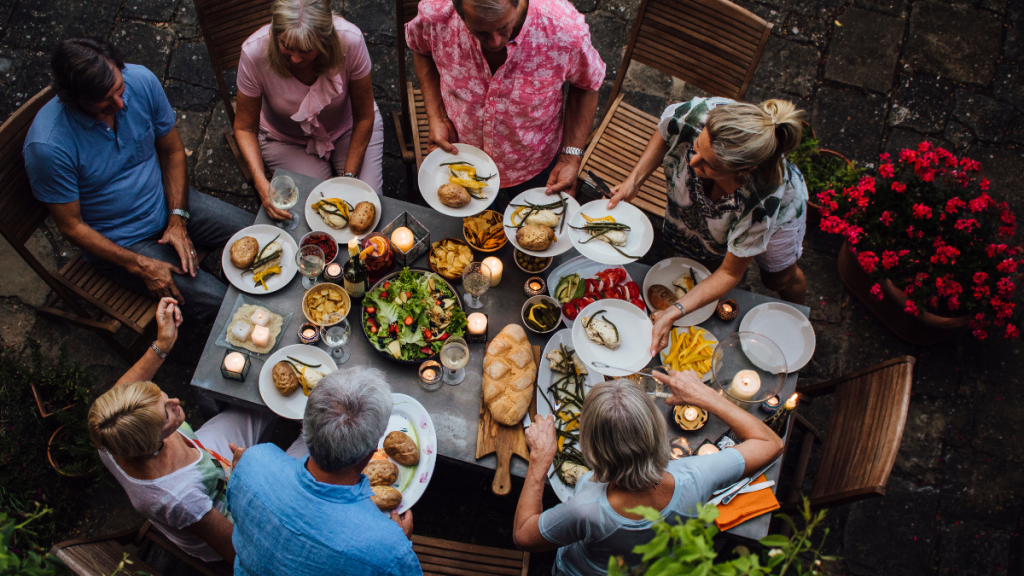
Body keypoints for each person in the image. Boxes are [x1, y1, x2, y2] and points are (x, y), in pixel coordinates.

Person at [24, 38, 254, 326]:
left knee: (263, 234)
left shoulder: (141, 80)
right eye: (105, 101)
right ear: (74, 98)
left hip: (169, 200)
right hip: (125, 242)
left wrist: (177, 219)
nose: (120, 104)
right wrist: (140, 266)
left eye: (119, 89)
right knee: (222, 304)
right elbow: (71, 227)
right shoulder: (48, 147)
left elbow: (172, 152)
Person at [87, 298, 296, 565]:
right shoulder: (181, 498)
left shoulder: (108, 427)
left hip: (208, 455)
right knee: (314, 452)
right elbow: (237, 551)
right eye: (166, 413)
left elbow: (124, 390)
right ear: (149, 441)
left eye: (163, 397)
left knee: (263, 399)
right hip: (230, 508)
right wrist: (247, 478)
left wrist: (164, 343)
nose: (176, 403)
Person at [513, 375, 783, 575]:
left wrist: (540, 460)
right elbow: (771, 443)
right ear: (657, 431)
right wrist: (706, 397)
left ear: (590, 449)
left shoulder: (586, 510)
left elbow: (524, 536)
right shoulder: (697, 474)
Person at [604, 97, 808, 357]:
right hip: (720, 202)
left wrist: (674, 311)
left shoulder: (763, 199)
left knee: (778, 277)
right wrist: (634, 181)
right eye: (697, 148)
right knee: (700, 254)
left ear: (745, 170)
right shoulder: (696, 115)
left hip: (780, 214)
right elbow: (667, 132)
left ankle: (800, 321)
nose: (692, 162)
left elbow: (730, 274)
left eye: (708, 164)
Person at [405, 0, 605, 209]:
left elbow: (587, 85)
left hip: (533, 162)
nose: (494, 42)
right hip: (461, 153)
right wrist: (437, 117)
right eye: (481, 32)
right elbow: (421, 48)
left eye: (503, 27)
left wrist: (570, 159)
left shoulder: (564, 27)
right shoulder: (435, 13)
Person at [226, 367, 421, 576]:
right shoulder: (389, 549)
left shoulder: (253, 461)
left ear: (305, 427)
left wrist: (249, 464)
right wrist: (402, 539)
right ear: (373, 451)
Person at [234, 0, 385, 212]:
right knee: (313, 213)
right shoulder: (254, 53)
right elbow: (243, 128)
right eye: (286, 46)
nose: (295, 59)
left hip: (350, 127)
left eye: (306, 50)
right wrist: (261, 183)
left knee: (365, 206)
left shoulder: (350, 41)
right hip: (287, 141)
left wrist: (349, 179)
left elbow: (365, 116)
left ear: (326, 40)